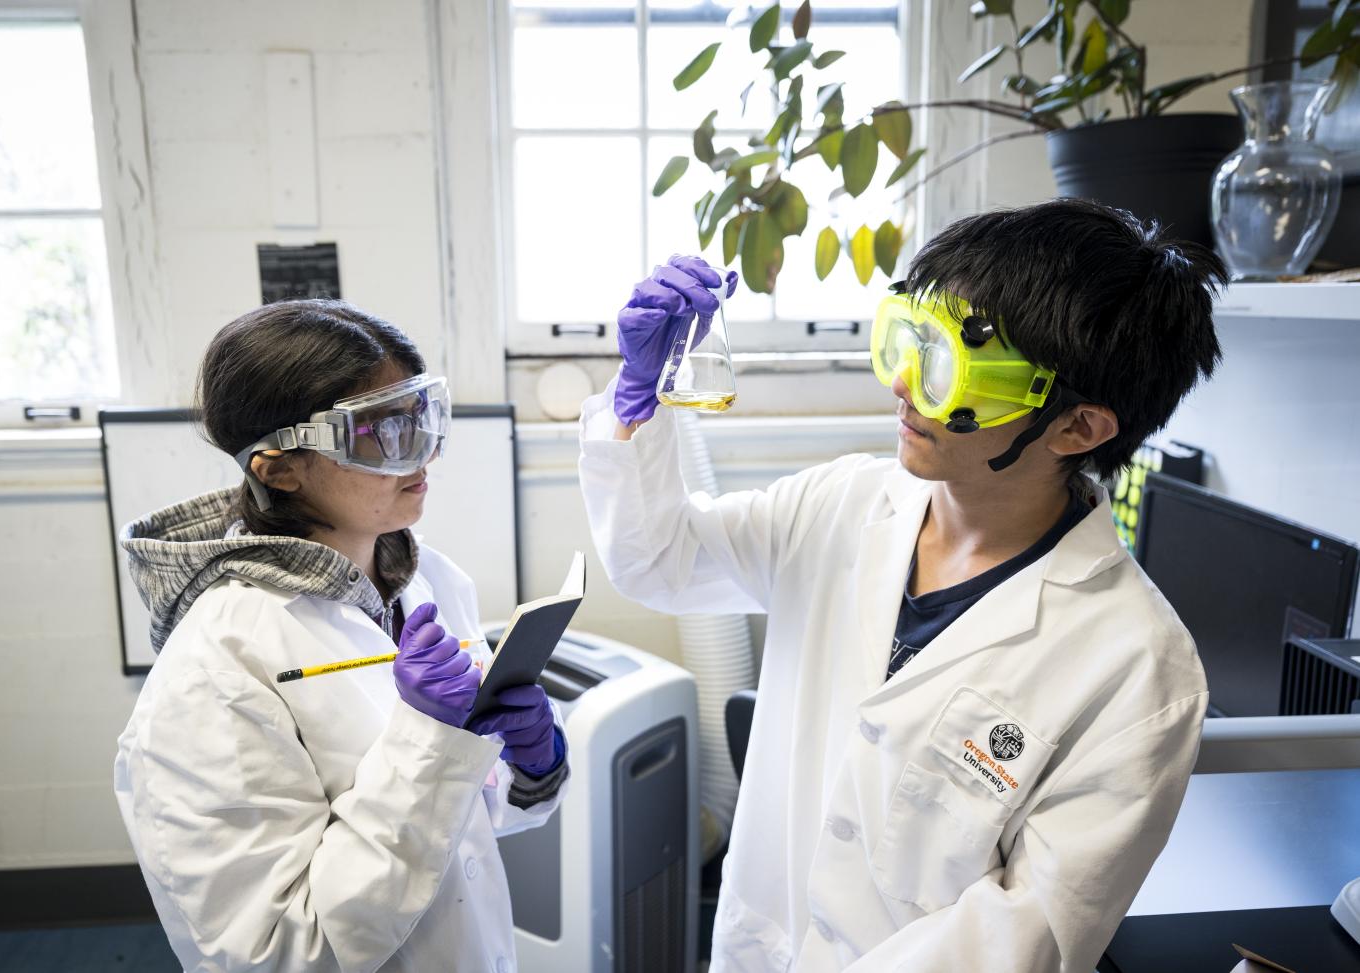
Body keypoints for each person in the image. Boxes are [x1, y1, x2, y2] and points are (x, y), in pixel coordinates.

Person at [579, 198, 1225, 972]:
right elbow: (662, 559)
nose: (905, 384)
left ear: (1077, 428)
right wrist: (637, 396)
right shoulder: (841, 503)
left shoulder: (1140, 669)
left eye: (950, 363)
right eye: (908, 338)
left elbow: (1028, 934)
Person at [114, 300, 567, 972]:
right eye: (383, 431)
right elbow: (277, 951)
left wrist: (530, 769)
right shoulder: (215, 667)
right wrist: (431, 743)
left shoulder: (429, 580)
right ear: (279, 468)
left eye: (422, 415)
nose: (423, 453)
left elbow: (461, 822)